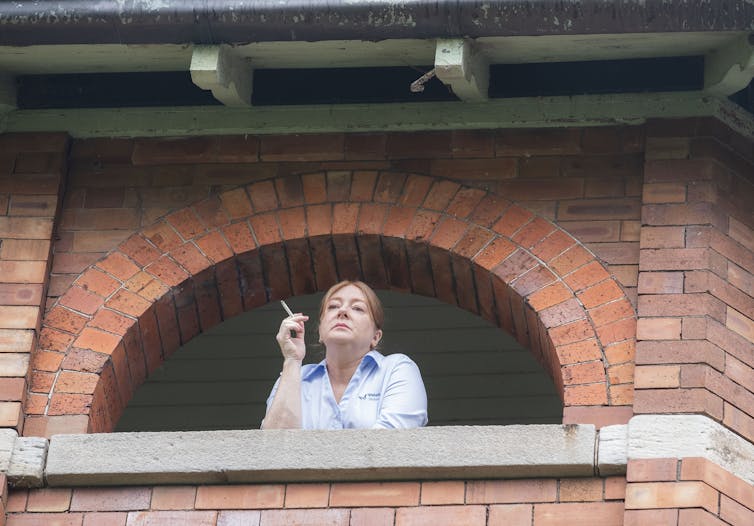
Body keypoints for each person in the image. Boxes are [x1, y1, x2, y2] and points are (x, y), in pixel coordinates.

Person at [262, 280, 428, 429]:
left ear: (375, 337)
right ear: (320, 332)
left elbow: (390, 446)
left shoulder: (396, 370)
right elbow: (274, 449)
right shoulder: (294, 378)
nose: (342, 311)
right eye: (333, 306)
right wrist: (292, 360)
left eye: (357, 308)